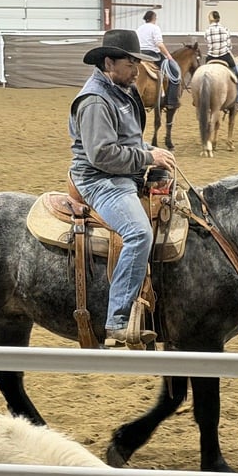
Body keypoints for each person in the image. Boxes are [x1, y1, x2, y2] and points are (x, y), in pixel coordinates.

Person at [68, 29, 177, 347]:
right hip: (101, 180)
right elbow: (102, 155)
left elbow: (126, 140)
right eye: (130, 63)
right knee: (139, 233)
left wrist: (150, 151)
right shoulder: (95, 101)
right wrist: (147, 156)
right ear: (108, 63)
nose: (137, 70)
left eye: (137, 63)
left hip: (125, 173)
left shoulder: (120, 91)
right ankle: (117, 320)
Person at [204, 10, 238, 110]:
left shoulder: (207, 31)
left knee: (202, 75)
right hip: (225, 56)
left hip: (211, 57)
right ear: (219, 18)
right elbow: (229, 46)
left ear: (210, 19)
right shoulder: (225, 29)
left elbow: (208, 43)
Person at [135, 10, 181, 108]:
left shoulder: (139, 29)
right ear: (154, 18)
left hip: (139, 54)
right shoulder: (155, 28)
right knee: (174, 73)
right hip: (152, 55)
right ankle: (171, 101)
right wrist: (168, 55)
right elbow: (159, 44)